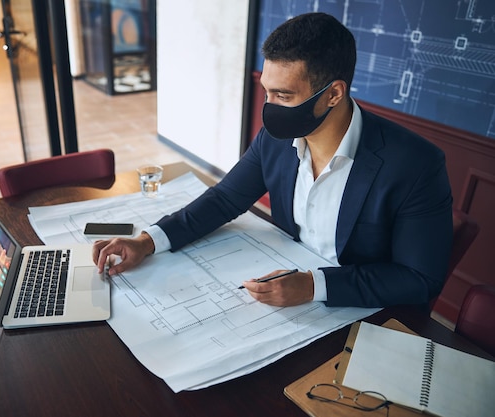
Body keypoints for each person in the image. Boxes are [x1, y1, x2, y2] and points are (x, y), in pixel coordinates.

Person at [92, 12, 453, 308]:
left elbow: (419, 279)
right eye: (267, 91)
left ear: (334, 94)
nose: (269, 107)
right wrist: (148, 241)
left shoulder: (415, 165)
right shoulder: (276, 140)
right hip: (283, 303)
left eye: (283, 95)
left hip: (354, 311)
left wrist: (315, 286)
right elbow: (224, 199)